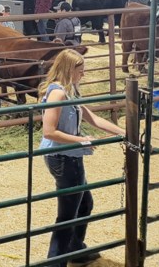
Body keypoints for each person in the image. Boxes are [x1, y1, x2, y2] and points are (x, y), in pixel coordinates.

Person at [40, 50, 125, 267]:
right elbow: (48, 131)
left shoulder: (71, 92)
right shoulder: (58, 94)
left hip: (69, 155)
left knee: (85, 203)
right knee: (68, 214)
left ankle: (75, 249)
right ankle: (55, 262)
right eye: (80, 70)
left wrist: (123, 132)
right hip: (64, 157)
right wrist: (80, 140)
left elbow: (94, 118)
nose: (83, 75)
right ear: (69, 69)